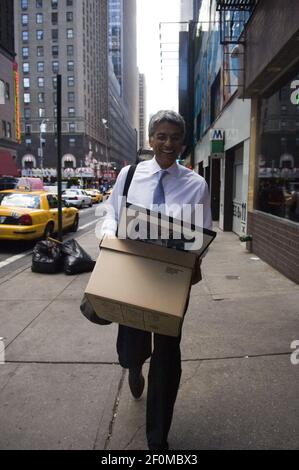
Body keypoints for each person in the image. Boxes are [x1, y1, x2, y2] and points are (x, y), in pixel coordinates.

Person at [99, 110, 212, 450]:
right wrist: (107, 238)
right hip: (133, 272)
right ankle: (134, 366)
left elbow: (203, 233)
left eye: (174, 137)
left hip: (171, 279)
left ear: (182, 143)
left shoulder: (196, 184)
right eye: (161, 136)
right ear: (150, 140)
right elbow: (112, 214)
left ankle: (157, 437)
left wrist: (194, 256)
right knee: (132, 344)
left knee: (167, 352)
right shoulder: (129, 175)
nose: (167, 143)